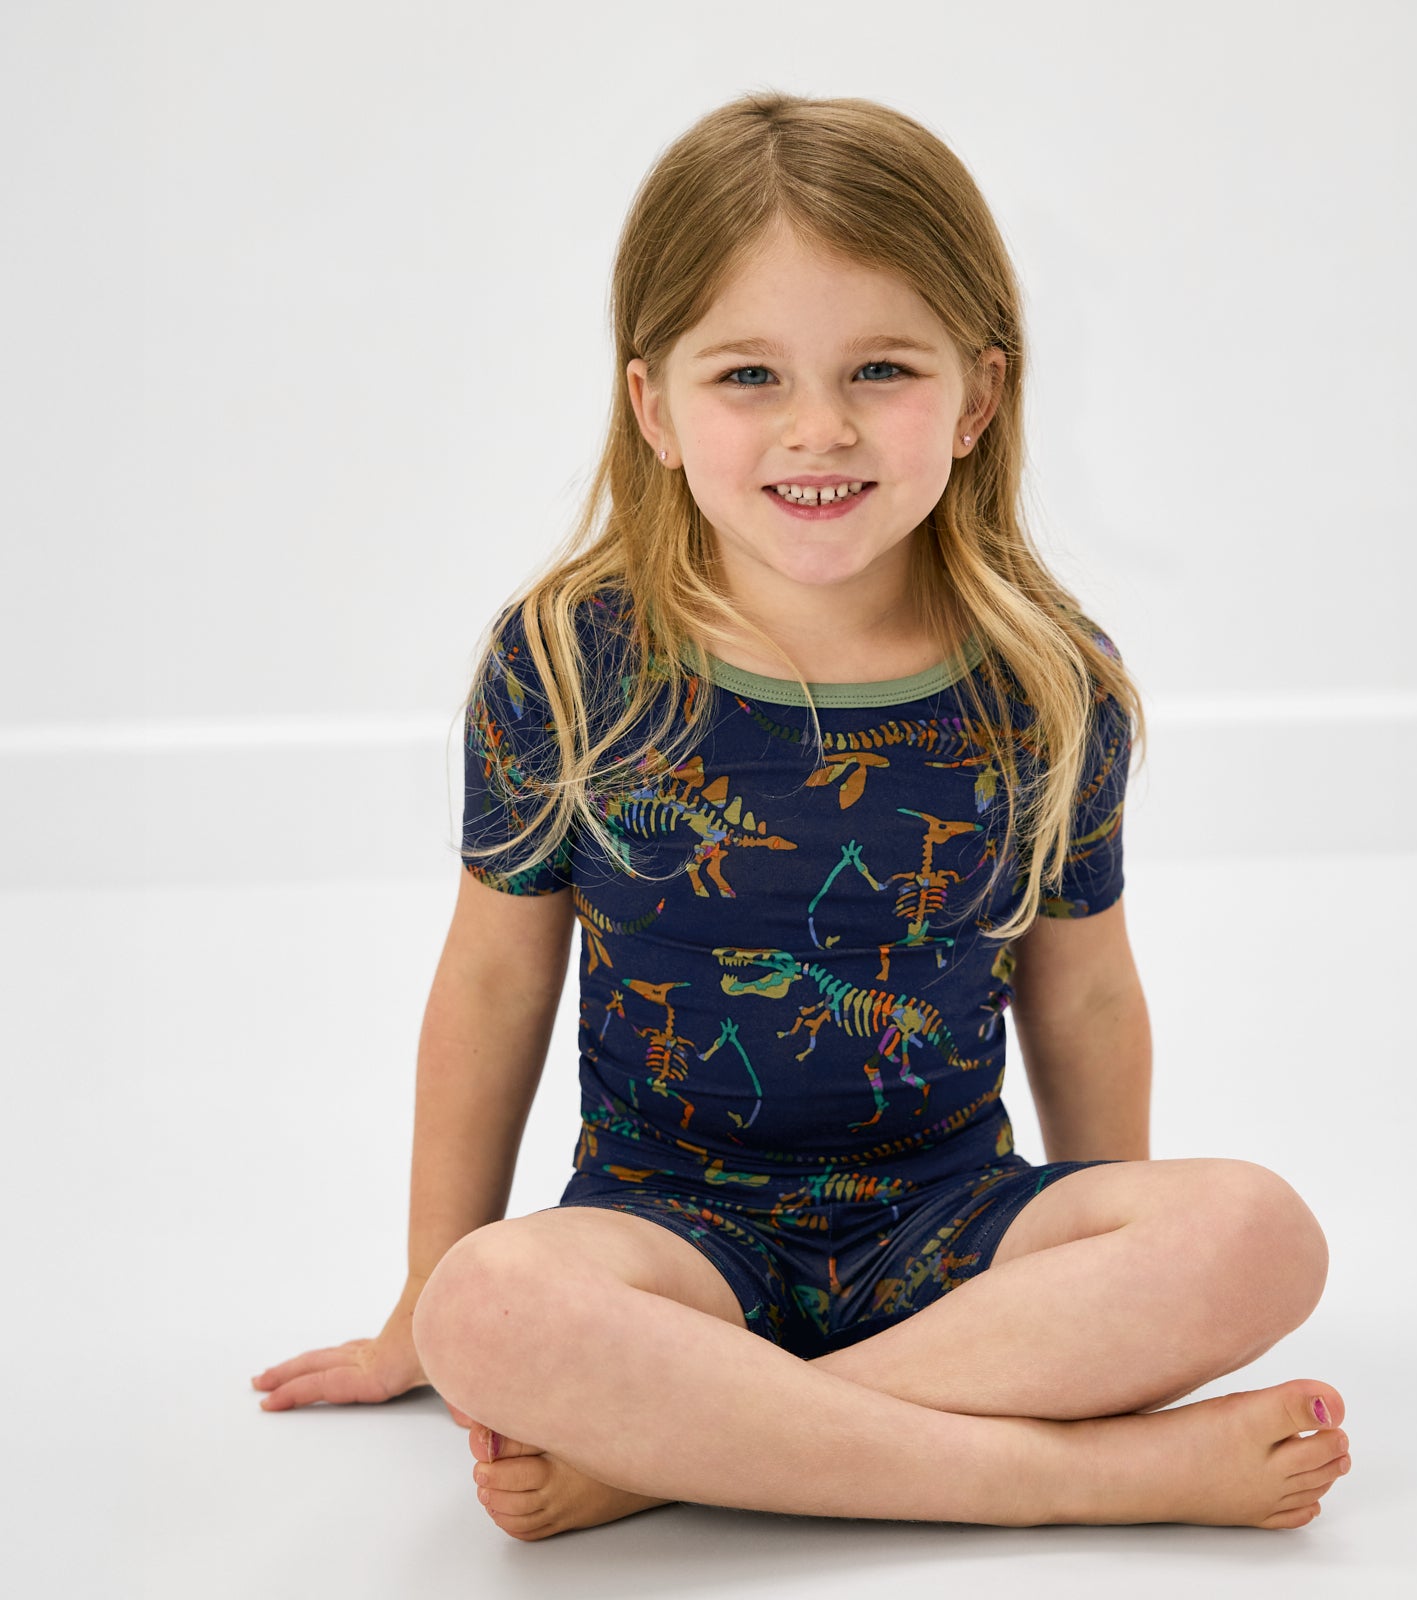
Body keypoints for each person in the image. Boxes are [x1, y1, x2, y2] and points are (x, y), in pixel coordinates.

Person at [250, 89, 1349, 1539]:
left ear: (979, 396)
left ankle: (675, 1455)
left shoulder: (1046, 677)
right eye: (748, 375)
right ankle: (1068, 1479)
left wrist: (1109, 1287)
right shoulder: (572, 660)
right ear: (653, 405)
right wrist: (419, 1298)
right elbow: (495, 977)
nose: (817, 428)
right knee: (487, 1309)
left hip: (953, 1227)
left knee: (1259, 1234)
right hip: (668, 1241)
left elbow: (1082, 992)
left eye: (880, 368)